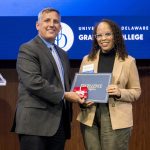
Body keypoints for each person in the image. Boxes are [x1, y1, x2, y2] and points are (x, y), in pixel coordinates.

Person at [11, 7, 85, 150]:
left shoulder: (63, 54)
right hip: (34, 125)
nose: (52, 24)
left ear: (60, 27)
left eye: (56, 22)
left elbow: (65, 84)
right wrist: (64, 95)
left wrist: (82, 95)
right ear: (38, 25)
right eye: (47, 20)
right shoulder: (28, 49)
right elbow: (33, 82)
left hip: (59, 124)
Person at [77, 19, 141, 150]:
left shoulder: (128, 61)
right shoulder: (87, 59)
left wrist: (120, 92)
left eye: (107, 34)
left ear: (115, 36)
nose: (103, 39)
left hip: (116, 118)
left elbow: (136, 91)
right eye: (99, 35)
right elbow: (80, 88)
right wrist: (82, 100)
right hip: (90, 117)